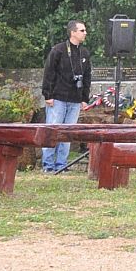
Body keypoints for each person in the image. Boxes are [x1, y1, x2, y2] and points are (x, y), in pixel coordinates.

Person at [39, 19, 93, 173]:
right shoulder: (58, 50)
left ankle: (62, 164)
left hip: (75, 99)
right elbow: (49, 72)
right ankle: (48, 165)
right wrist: (47, 94)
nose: (85, 33)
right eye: (82, 30)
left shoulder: (84, 53)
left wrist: (84, 98)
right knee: (53, 130)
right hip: (58, 97)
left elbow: (87, 77)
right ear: (73, 32)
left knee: (68, 133)